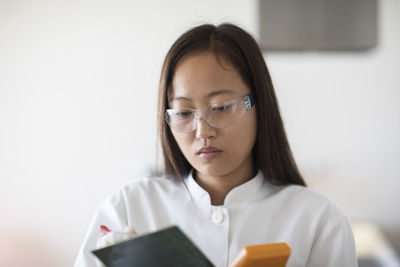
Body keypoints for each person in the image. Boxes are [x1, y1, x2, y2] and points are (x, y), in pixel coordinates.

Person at [74, 23, 358, 267]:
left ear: (260, 105)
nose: (202, 131)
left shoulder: (318, 220)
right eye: (184, 113)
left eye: (221, 107)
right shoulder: (129, 208)